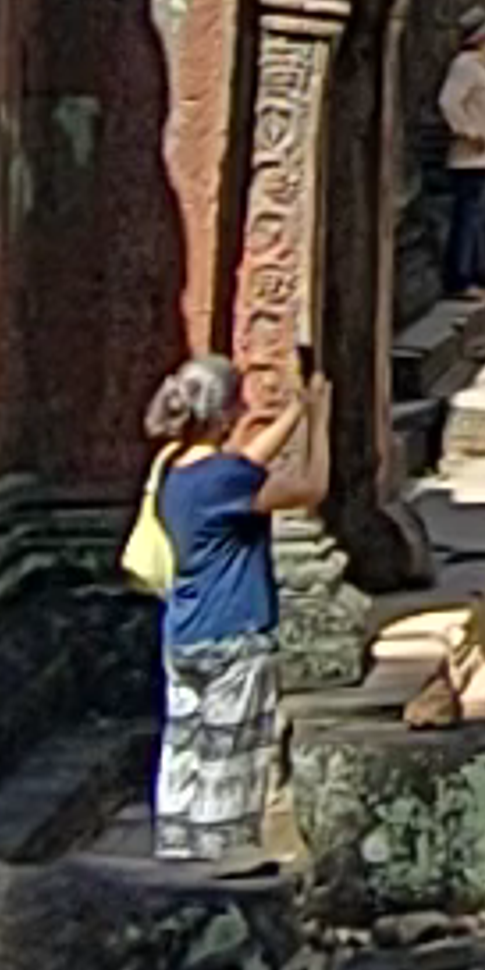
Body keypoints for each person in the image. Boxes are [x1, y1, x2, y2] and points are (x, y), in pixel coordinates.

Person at [137, 348, 322, 866]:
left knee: (183, 752)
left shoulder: (173, 469)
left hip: (185, 632)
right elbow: (311, 487)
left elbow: (247, 463)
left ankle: (174, 856)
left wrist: (295, 411)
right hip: (235, 634)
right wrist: (320, 426)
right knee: (229, 760)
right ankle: (219, 866)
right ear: (222, 418)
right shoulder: (224, 481)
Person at [433, 17, 485, 299]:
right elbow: (448, 101)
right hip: (471, 157)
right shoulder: (465, 65)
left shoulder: (480, 67)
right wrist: (467, 131)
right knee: (467, 218)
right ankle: (460, 277)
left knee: (478, 217)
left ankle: (478, 272)